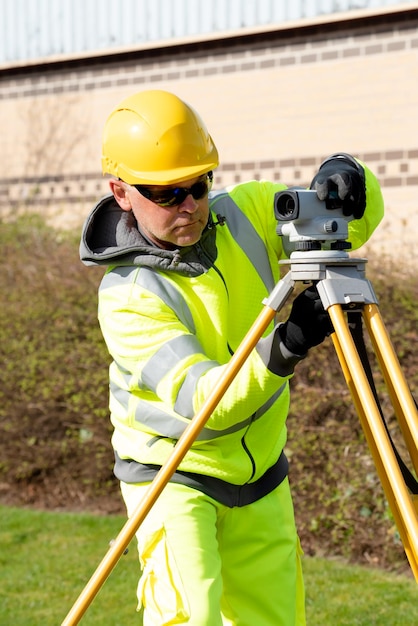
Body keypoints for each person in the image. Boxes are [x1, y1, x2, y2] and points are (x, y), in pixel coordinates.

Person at [80, 89, 384, 625]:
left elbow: (350, 223)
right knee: (187, 617)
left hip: (262, 472)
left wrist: (350, 176)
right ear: (121, 192)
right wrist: (287, 346)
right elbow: (204, 404)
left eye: (199, 184)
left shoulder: (245, 214)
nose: (190, 204)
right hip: (173, 477)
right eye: (168, 193)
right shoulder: (128, 296)